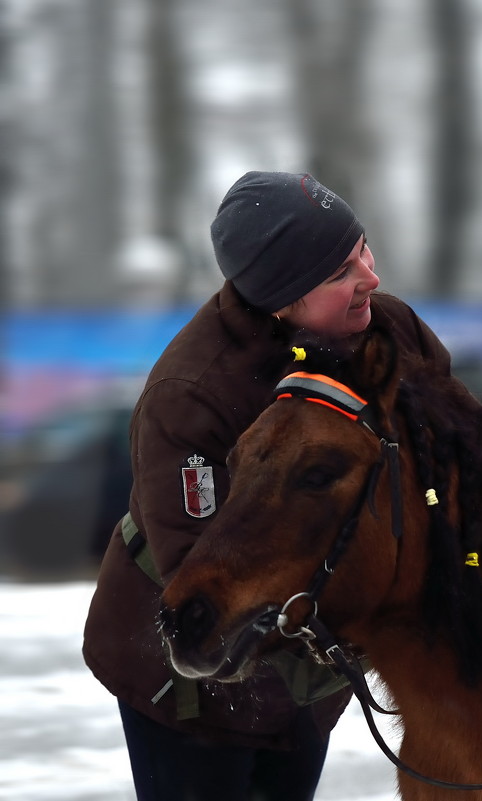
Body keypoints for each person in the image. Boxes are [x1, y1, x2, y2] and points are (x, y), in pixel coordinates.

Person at [83, 171, 452, 800]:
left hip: (305, 678)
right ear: (279, 298)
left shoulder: (390, 332)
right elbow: (199, 573)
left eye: (362, 248)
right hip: (186, 684)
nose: (370, 277)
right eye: (339, 273)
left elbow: (458, 457)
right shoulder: (192, 394)